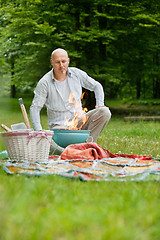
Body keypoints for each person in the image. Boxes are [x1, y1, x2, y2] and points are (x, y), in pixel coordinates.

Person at [30, 48, 111, 154]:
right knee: (50, 143)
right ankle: (65, 151)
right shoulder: (44, 82)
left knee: (105, 112)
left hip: (79, 121)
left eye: (63, 61)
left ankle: (87, 145)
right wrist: (39, 131)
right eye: (57, 62)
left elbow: (97, 86)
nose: (61, 65)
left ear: (68, 61)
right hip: (60, 128)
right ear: (52, 63)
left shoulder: (77, 74)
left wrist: (100, 104)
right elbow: (35, 108)